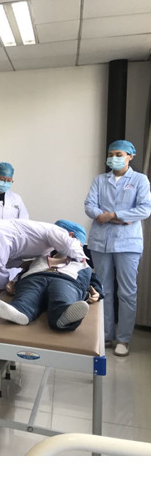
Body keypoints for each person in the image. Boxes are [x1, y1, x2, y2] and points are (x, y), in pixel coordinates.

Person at [84, 139, 151, 356]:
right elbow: (89, 206)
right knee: (103, 290)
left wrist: (112, 215)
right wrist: (118, 218)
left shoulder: (140, 180)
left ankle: (123, 339)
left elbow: (144, 209)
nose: (114, 158)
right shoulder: (100, 180)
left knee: (127, 292)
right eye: (111, 154)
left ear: (130, 156)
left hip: (128, 243)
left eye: (119, 154)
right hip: (100, 242)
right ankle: (105, 335)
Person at [0, 222, 104, 332]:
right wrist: (14, 282)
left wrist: (97, 292)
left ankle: (63, 316)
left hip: (66, 281)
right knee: (27, 296)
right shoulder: (41, 256)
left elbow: (93, 279)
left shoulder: (82, 263)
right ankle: (19, 311)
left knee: (62, 297)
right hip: (34, 278)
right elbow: (25, 270)